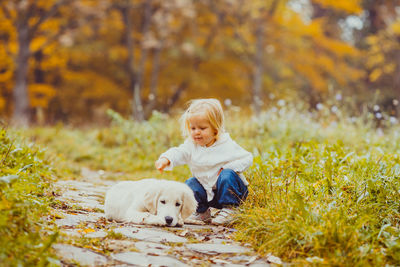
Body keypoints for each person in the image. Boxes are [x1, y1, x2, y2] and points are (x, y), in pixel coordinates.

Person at [155, 98, 253, 225]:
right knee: (191, 183)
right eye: (193, 128)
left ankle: (231, 209)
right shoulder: (191, 145)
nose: (197, 132)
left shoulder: (225, 145)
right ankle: (202, 212)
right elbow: (179, 152)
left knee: (227, 175)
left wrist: (229, 167)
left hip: (232, 191)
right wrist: (166, 159)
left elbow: (247, 158)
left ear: (215, 129)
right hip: (209, 194)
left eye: (202, 128)